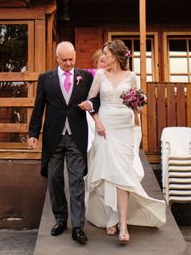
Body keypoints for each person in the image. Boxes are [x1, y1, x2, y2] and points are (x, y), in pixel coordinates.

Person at [80, 40, 166, 244]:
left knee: (123, 176)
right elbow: (92, 101)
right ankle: (110, 217)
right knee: (107, 175)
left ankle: (123, 225)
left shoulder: (132, 76)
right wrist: (98, 122)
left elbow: (137, 105)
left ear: (117, 56)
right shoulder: (100, 75)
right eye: (102, 54)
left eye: (106, 54)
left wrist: (138, 107)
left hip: (126, 129)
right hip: (106, 127)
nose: (103, 57)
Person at [27, 41, 98, 245]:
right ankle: (60, 219)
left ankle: (78, 226)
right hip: (53, 137)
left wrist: (91, 104)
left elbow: (97, 100)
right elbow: (38, 107)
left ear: (75, 56)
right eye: (64, 60)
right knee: (55, 179)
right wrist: (33, 133)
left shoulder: (86, 77)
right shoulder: (45, 79)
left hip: (76, 135)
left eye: (71, 59)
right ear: (56, 59)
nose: (68, 63)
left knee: (76, 180)